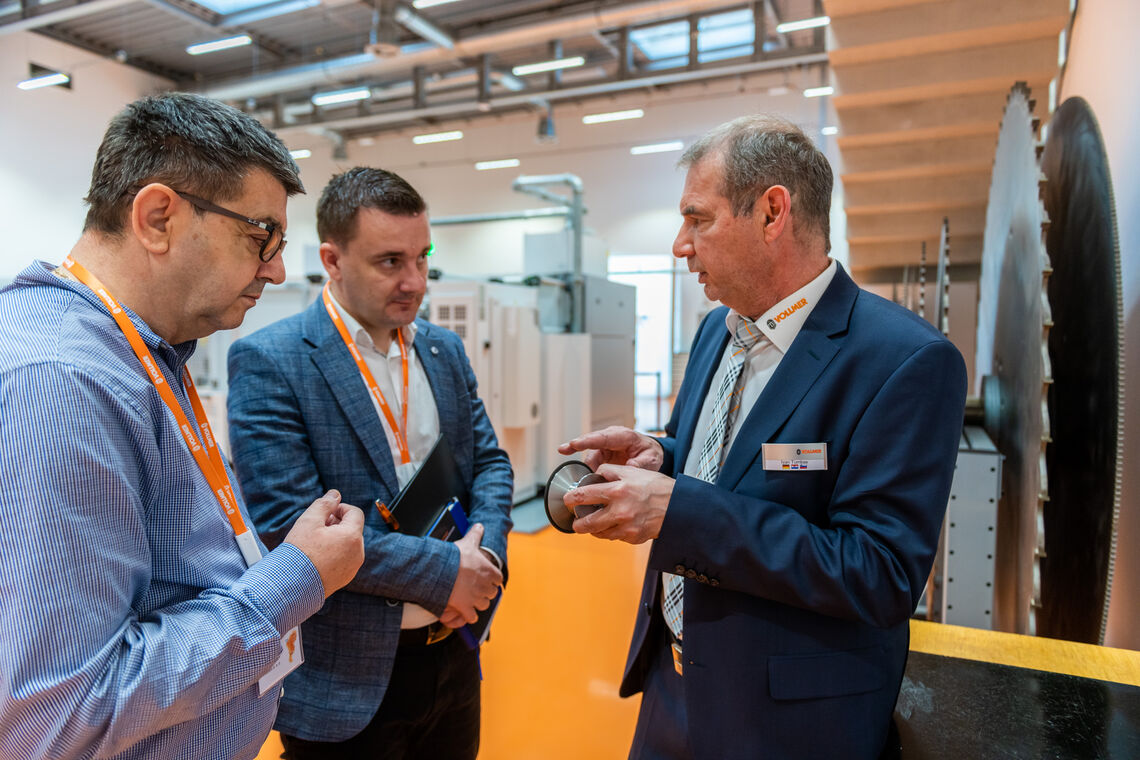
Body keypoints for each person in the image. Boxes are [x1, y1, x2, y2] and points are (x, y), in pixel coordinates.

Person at [558, 115, 968, 759]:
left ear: (772, 212)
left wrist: (677, 510)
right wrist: (662, 456)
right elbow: (729, 463)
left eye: (698, 220)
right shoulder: (717, 331)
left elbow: (880, 573)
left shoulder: (904, 361)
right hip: (671, 686)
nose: (680, 245)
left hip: (787, 721)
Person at [0, 93, 366, 760]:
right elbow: (60, 716)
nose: (278, 269)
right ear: (158, 218)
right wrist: (294, 577)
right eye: (261, 235)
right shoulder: (65, 383)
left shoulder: (139, 352)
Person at [226, 166, 513, 759]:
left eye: (423, 259)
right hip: (346, 681)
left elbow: (489, 461)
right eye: (390, 262)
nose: (414, 282)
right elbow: (287, 524)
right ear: (332, 260)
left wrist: (484, 557)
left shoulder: (443, 349)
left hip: (454, 653)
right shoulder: (272, 360)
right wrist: (447, 571)